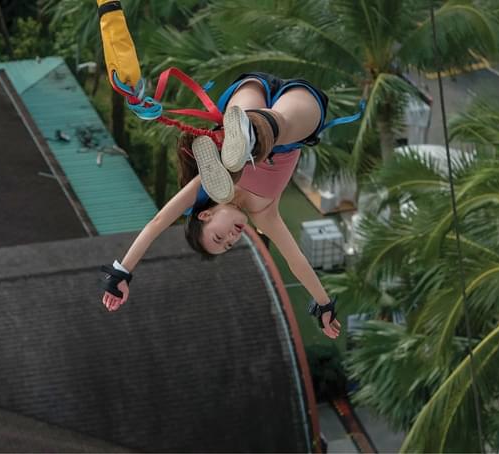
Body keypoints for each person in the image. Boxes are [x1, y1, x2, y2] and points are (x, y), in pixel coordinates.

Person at [99, 72, 341, 339]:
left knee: (244, 120)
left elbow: (157, 224)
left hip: (251, 96)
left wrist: (122, 271)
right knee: (281, 127)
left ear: (205, 213)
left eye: (219, 236)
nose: (231, 237)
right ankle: (252, 136)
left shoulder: (205, 184)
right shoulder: (265, 215)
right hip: (294, 117)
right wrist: (324, 304)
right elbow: (297, 262)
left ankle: (247, 134)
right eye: (228, 243)